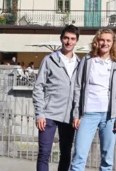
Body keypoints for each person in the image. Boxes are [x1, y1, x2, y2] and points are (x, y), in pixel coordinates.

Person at [70, 29, 116, 171]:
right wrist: (76, 113)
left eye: (108, 40)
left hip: (109, 115)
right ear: (96, 41)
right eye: (102, 40)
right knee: (79, 155)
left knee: (107, 159)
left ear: (113, 43)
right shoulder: (87, 60)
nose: (105, 43)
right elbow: (78, 87)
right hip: (88, 114)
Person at [32, 25, 80, 171]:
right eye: (66, 38)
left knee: (66, 153)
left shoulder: (80, 63)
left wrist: (77, 114)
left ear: (76, 41)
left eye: (72, 39)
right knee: (44, 153)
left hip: (69, 116)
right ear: (61, 39)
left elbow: (80, 91)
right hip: (49, 114)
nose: (69, 42)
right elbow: (38, 87)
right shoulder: (49, 60)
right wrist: (40, 114)